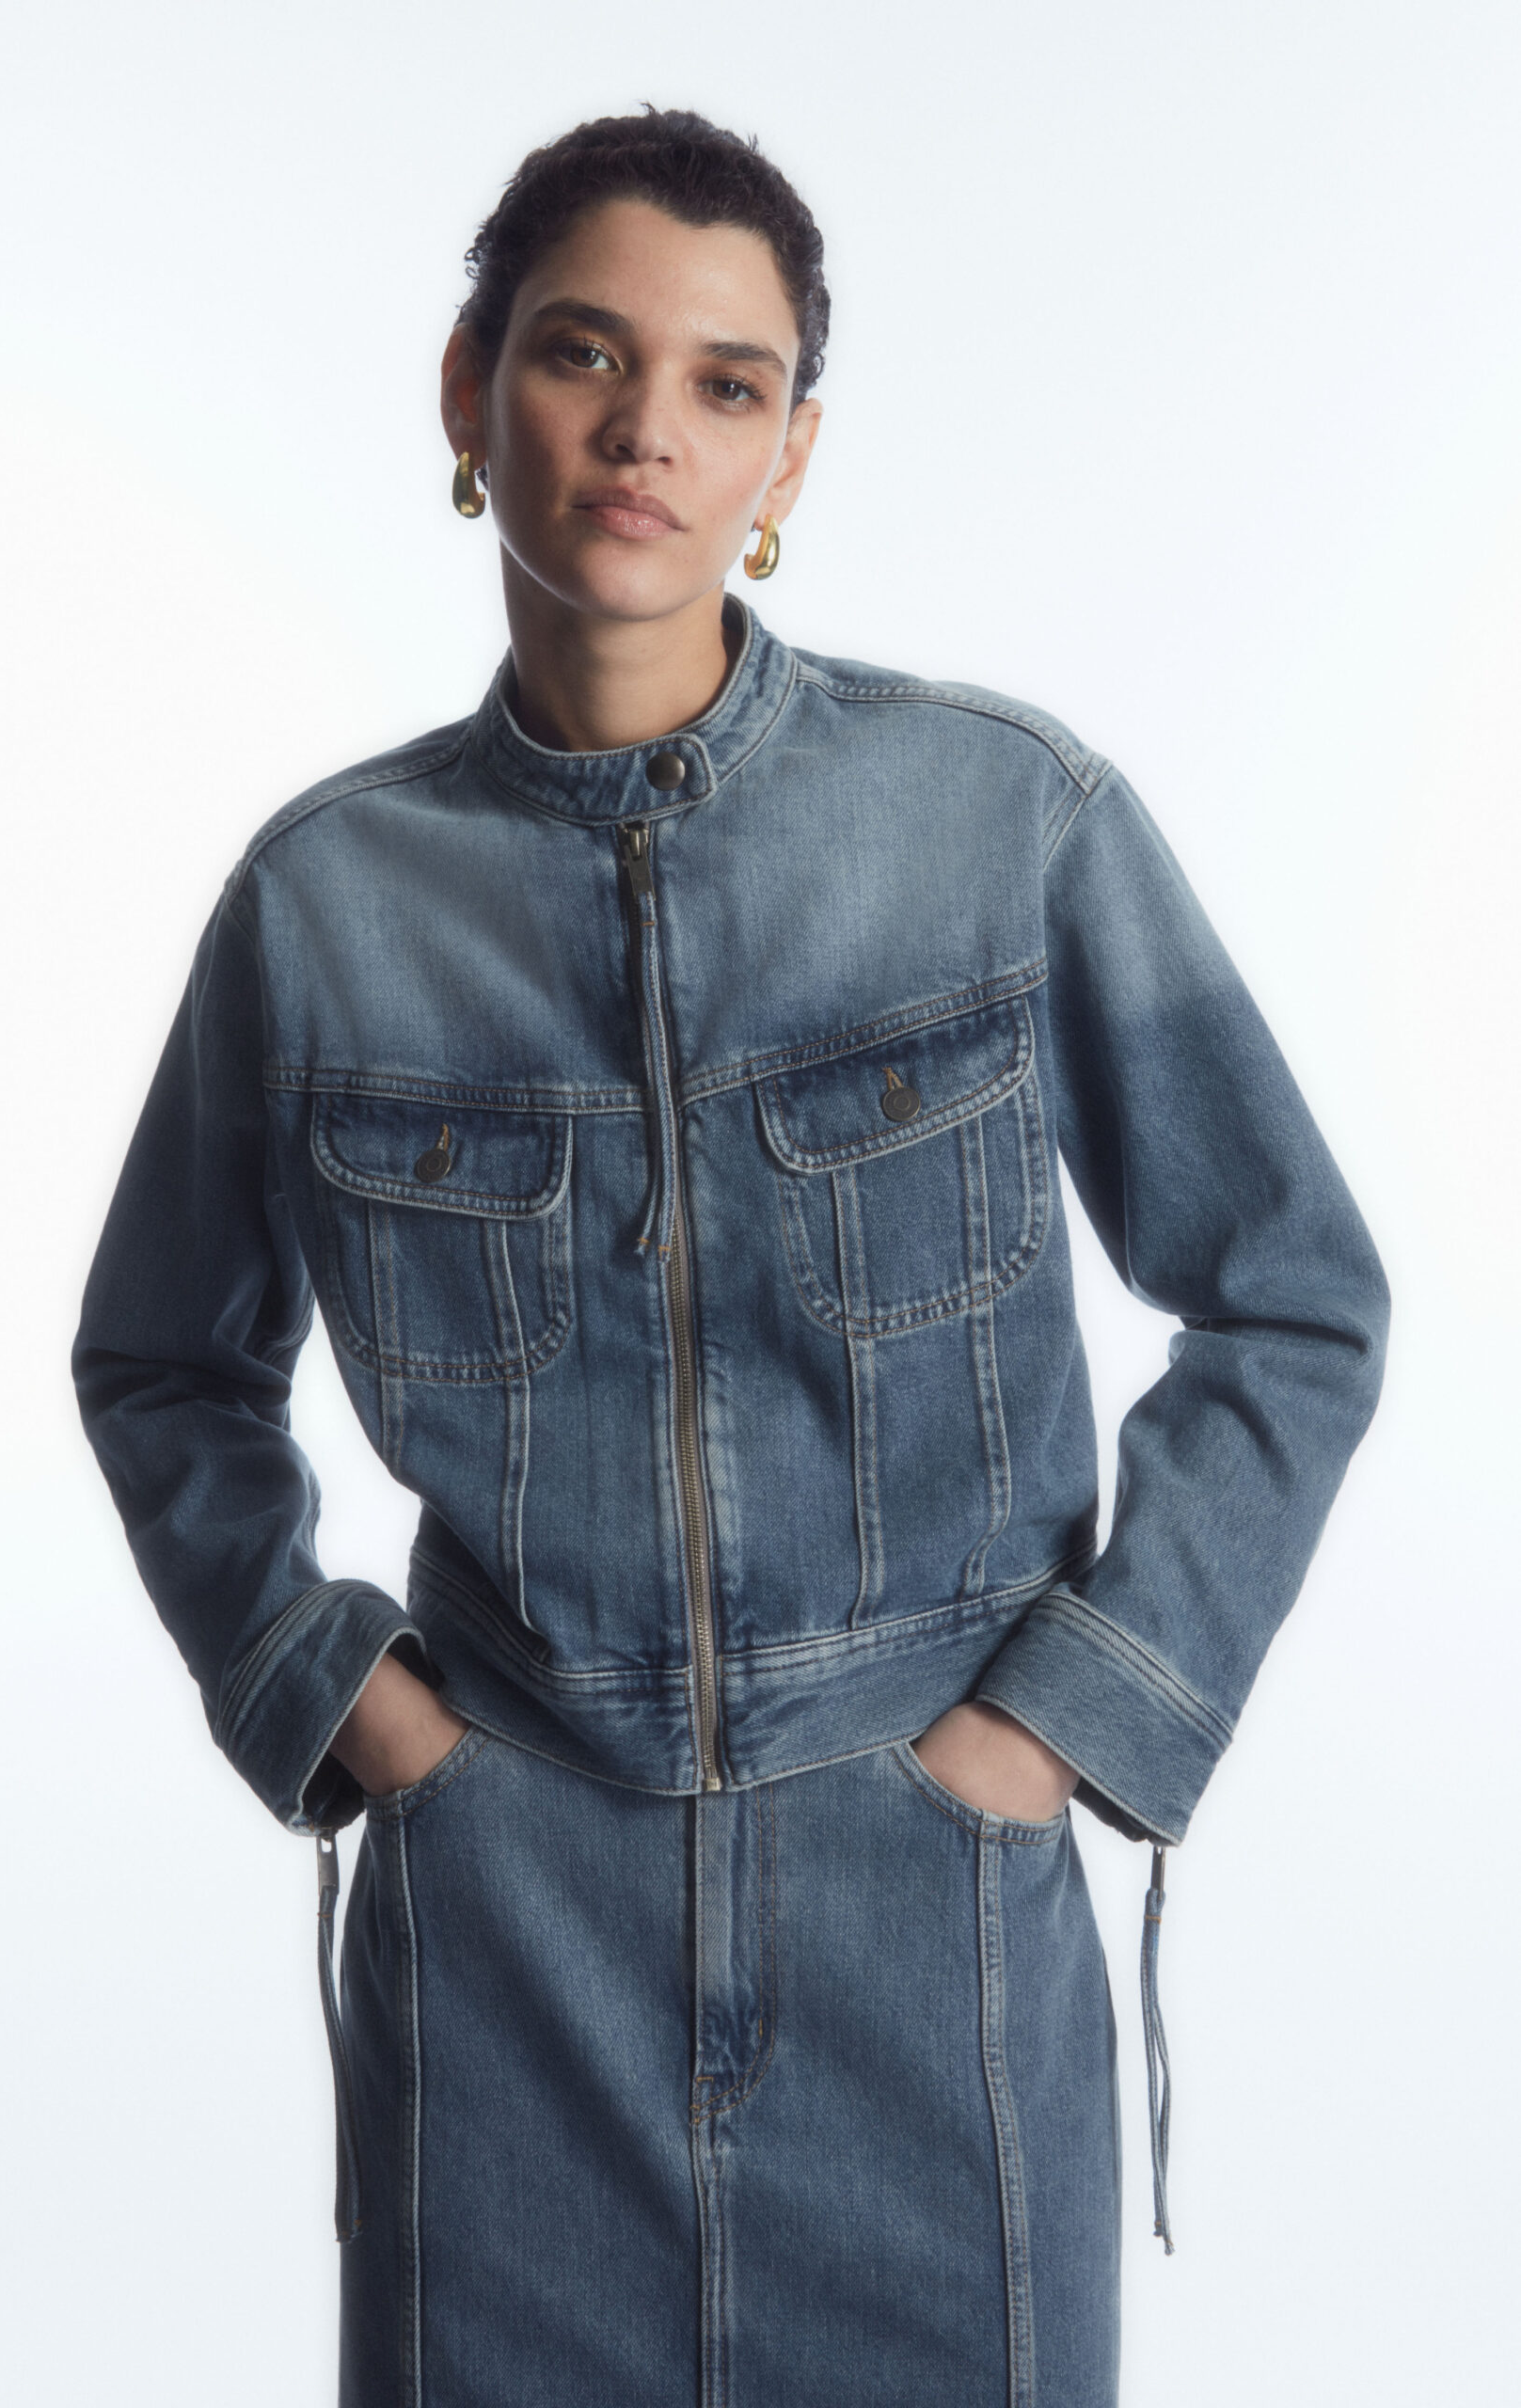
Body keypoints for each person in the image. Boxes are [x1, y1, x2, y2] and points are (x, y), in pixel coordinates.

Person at [71, 106, 1389, 2408]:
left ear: (790, 450)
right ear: (469, 386)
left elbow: (1291, 1290)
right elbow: (160, 1359)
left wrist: (1049, 1727)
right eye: (581, 352)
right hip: (509, 1934)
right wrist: (351, 1704)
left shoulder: (1003, 824)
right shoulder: (324, 906)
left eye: (725, 380)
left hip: (927, 1916)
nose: (644, 432)